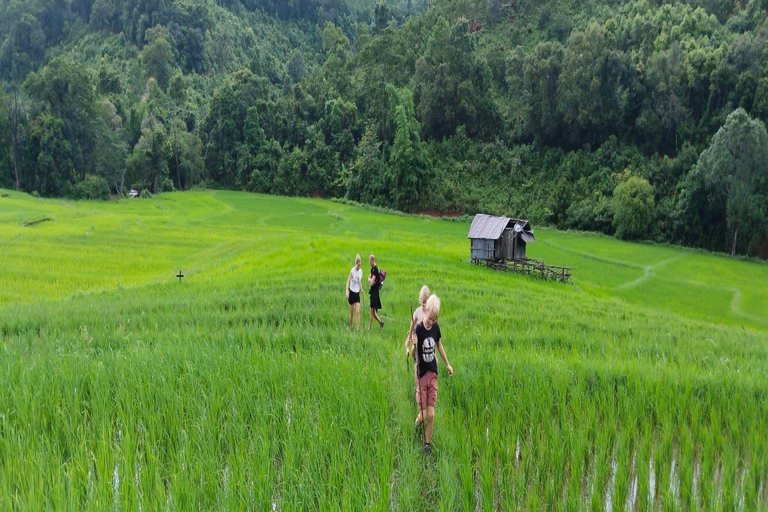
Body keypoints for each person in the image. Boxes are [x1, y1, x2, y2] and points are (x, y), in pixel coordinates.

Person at [409, 295, 453, 455]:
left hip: (432, 373)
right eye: (429, 318)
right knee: (423, 415)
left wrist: (447, 364)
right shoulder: (419, 329)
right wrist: (413, 345)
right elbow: (415, 354)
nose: (431, 322)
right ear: (425, 311)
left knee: (431, 414)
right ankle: (416, 425)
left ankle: (427, 444)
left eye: (434, 320)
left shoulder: (436, 328)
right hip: (421, 375)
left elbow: (439, 346)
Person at [405, 286, 430, 389]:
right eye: (423, 302)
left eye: (426, 302)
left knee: (427, 378)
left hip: (427, 350)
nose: (424, 305)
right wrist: (408, 342)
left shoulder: (430, 314)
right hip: (417, 348)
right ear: (420, 300)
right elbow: (411, 328)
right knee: (417, 376)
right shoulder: (417, 312)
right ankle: (418, 395)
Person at [345, 254, 363, 331]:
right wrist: (347, 291)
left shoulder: (361, 271)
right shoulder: (352, 271)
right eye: (358, 265)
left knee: (358, 312)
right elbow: (348, 281)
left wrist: (361, 289)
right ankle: (351, 326)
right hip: (352, 293)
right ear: (356, 264)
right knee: (352, 313)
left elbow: (359, 281)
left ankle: (358, 329)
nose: (359, 267)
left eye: (360, 266)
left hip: (357, 293)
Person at [368, 254, 384, 330]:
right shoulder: (372, 269)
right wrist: (370, 280)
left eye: (370, 261)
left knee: (371, 311)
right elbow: (369, 278)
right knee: (373, 311)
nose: (369, 263)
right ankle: (381, 322)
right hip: (373, 292)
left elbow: (371, 282)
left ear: (372, 260)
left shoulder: (376, 269)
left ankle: (369, 328)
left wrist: (370, 280)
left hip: (375, 293)